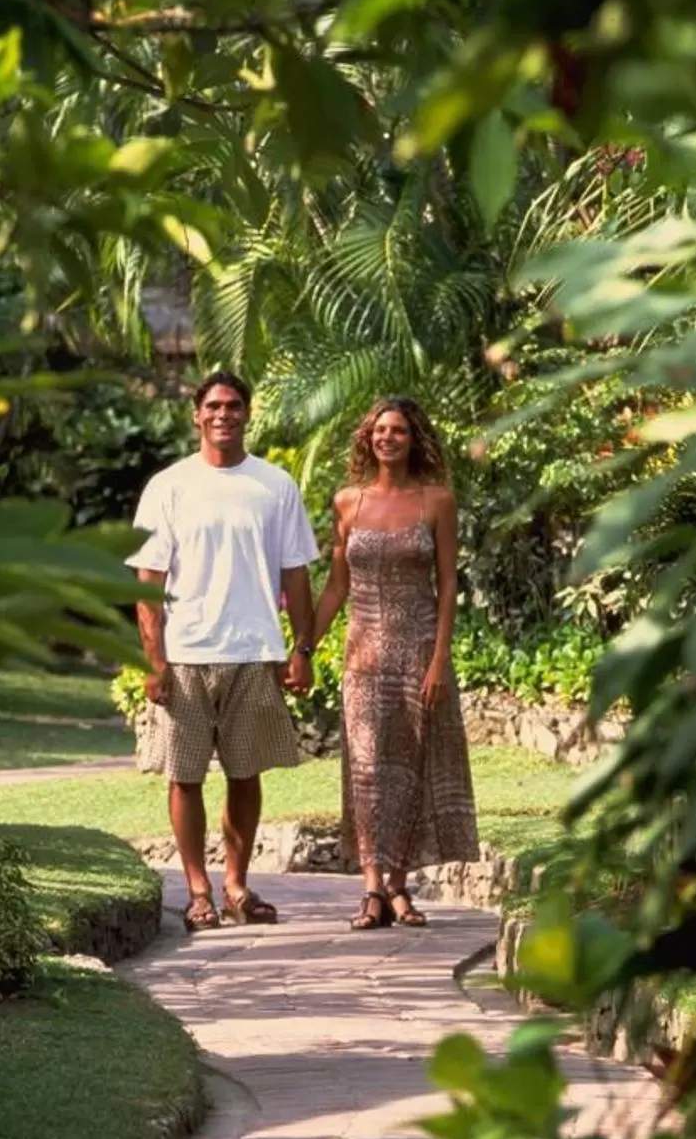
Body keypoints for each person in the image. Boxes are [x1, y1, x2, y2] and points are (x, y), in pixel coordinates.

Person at [131, 369, 320, 931]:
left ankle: (237, 886)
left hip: (253, 649)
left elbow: (297, 574)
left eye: (233, 406)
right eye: (212, 406)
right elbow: (147, 581)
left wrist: (302, 648)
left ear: (247, 414)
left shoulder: (275, 485)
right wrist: (153, 658)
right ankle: (197, 892)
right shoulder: (168, 486)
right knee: (185, 777)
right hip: (186, 652)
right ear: (196, 415)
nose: (223, 415)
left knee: (246, 772)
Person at [310, 395, 479, 930]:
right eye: (380, 430)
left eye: (399, 430)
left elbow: (448, 583)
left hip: (418, 650)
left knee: (412, 767)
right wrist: (304, 646)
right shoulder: (347, 502)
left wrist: (439, 660)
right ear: (368, 438)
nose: (388, 437)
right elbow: (337, 583)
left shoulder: (437, 501)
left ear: (414, 439)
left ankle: (400, 888)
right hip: (362, 655)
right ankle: (370, 889)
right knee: (365, 770)